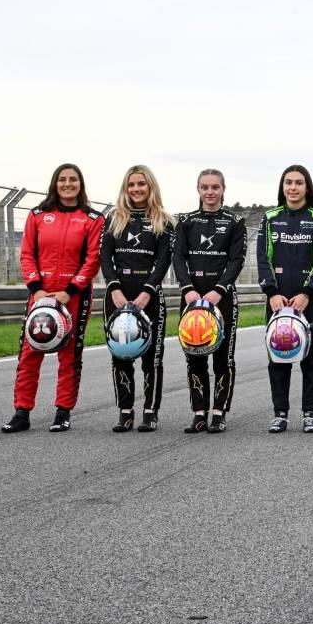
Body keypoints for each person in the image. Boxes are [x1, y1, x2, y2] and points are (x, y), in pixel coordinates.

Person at [2, 164, 103, 433]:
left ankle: (63, 411)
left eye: (73, 180)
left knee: (70, 355)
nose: (67, 184)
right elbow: (26, 254)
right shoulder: (37, 215)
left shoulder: (93, 218)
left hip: (74, 295)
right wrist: (36, 289)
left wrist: (69, 291)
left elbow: (93, 260)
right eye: (62, 179)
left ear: (80, 184)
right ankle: (21, 412)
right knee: (29, 352)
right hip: (41, 294)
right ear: (54, 183)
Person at [257, 165, 313, 433]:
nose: (292, 187)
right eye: (288, 182)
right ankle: (280, 413)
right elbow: (262, 258)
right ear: (282, 186)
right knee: (278, 355)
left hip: (308, 299)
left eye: (298, 183)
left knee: (312, 356)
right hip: (277, 298)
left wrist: (307, 292)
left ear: (307, 187)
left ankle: (310, 412)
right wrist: (271, 293)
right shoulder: (270, 218)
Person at [100, 165, 174, 432]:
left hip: (149, 295)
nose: (136, 189)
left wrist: (148, 291)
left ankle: (150, 411)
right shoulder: (114, 217)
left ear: (150, 186)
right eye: (131, 185)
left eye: (141, 184)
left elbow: (163, 261)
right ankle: (125, 410)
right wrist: (114, 288)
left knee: (152, 357)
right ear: (125, 188)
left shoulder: (164, 220)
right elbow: (104, 258)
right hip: (117, 294)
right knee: (121, 355)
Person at [172, 169, 246, 434]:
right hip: (192, 297)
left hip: (221, 298)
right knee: (194, 356)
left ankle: (219, 412)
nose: (210, 192)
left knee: (223, 359)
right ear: (198, 189)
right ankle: (199, 412)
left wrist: (218, 291)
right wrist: (188, 290)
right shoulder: (186, 221)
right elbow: (178, 257)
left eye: (215, 187)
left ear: (223, 189)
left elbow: (237, 260)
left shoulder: (235, 221)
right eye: (205, 187)